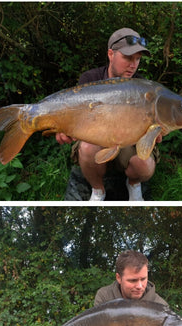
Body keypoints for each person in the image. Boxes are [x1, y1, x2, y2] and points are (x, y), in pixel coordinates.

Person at [56, 28, 161, 201]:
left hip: (128, 141)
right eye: (128, 57)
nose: (133, 64)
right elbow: (75, 113)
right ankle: (98, 190)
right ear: (111, 54)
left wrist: (153, 133)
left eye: (137, 59)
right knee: (87, 148)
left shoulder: (142, 86)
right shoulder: (90, 78)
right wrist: (62, 126)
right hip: (95, 139)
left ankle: (133, 184)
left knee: (144, 165)